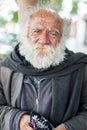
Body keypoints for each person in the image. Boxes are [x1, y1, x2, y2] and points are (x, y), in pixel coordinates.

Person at [0, 6, 87, 130]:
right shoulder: (4, 70)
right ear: (26, 34)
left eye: (53, 33)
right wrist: (18, 120)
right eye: (37, 31)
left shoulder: (80, 68)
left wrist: (69, 127)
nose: (44, 40)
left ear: (62, 38)